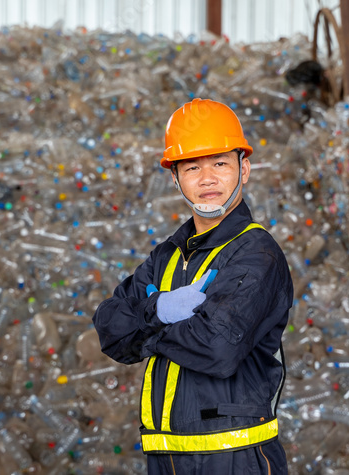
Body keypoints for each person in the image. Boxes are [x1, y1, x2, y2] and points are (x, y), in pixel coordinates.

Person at [93, 98, 294, 474]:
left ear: (244, 169)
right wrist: (162, 309)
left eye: (220, 163)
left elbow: (218, 347)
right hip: (166, 460)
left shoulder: (256, 252)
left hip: (235, 459)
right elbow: (110, 328)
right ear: (175, 178)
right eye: (192, 167)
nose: (207, 179)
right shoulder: (166, 256)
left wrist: (147, 328)